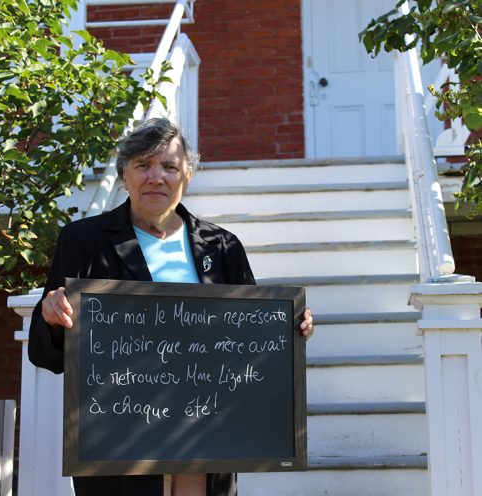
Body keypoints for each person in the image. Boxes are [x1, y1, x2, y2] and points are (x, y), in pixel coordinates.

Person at [28, 117, 314, 496]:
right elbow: (44, 352)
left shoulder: (222, 246)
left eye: (169, 166)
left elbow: (252, 340)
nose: (156, 177)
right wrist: (51, 317)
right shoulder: (85, 240)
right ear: (124, 174)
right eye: (143, 165)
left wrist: (291, 328)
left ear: (188, 176)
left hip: (207, 440)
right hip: (120, 446)